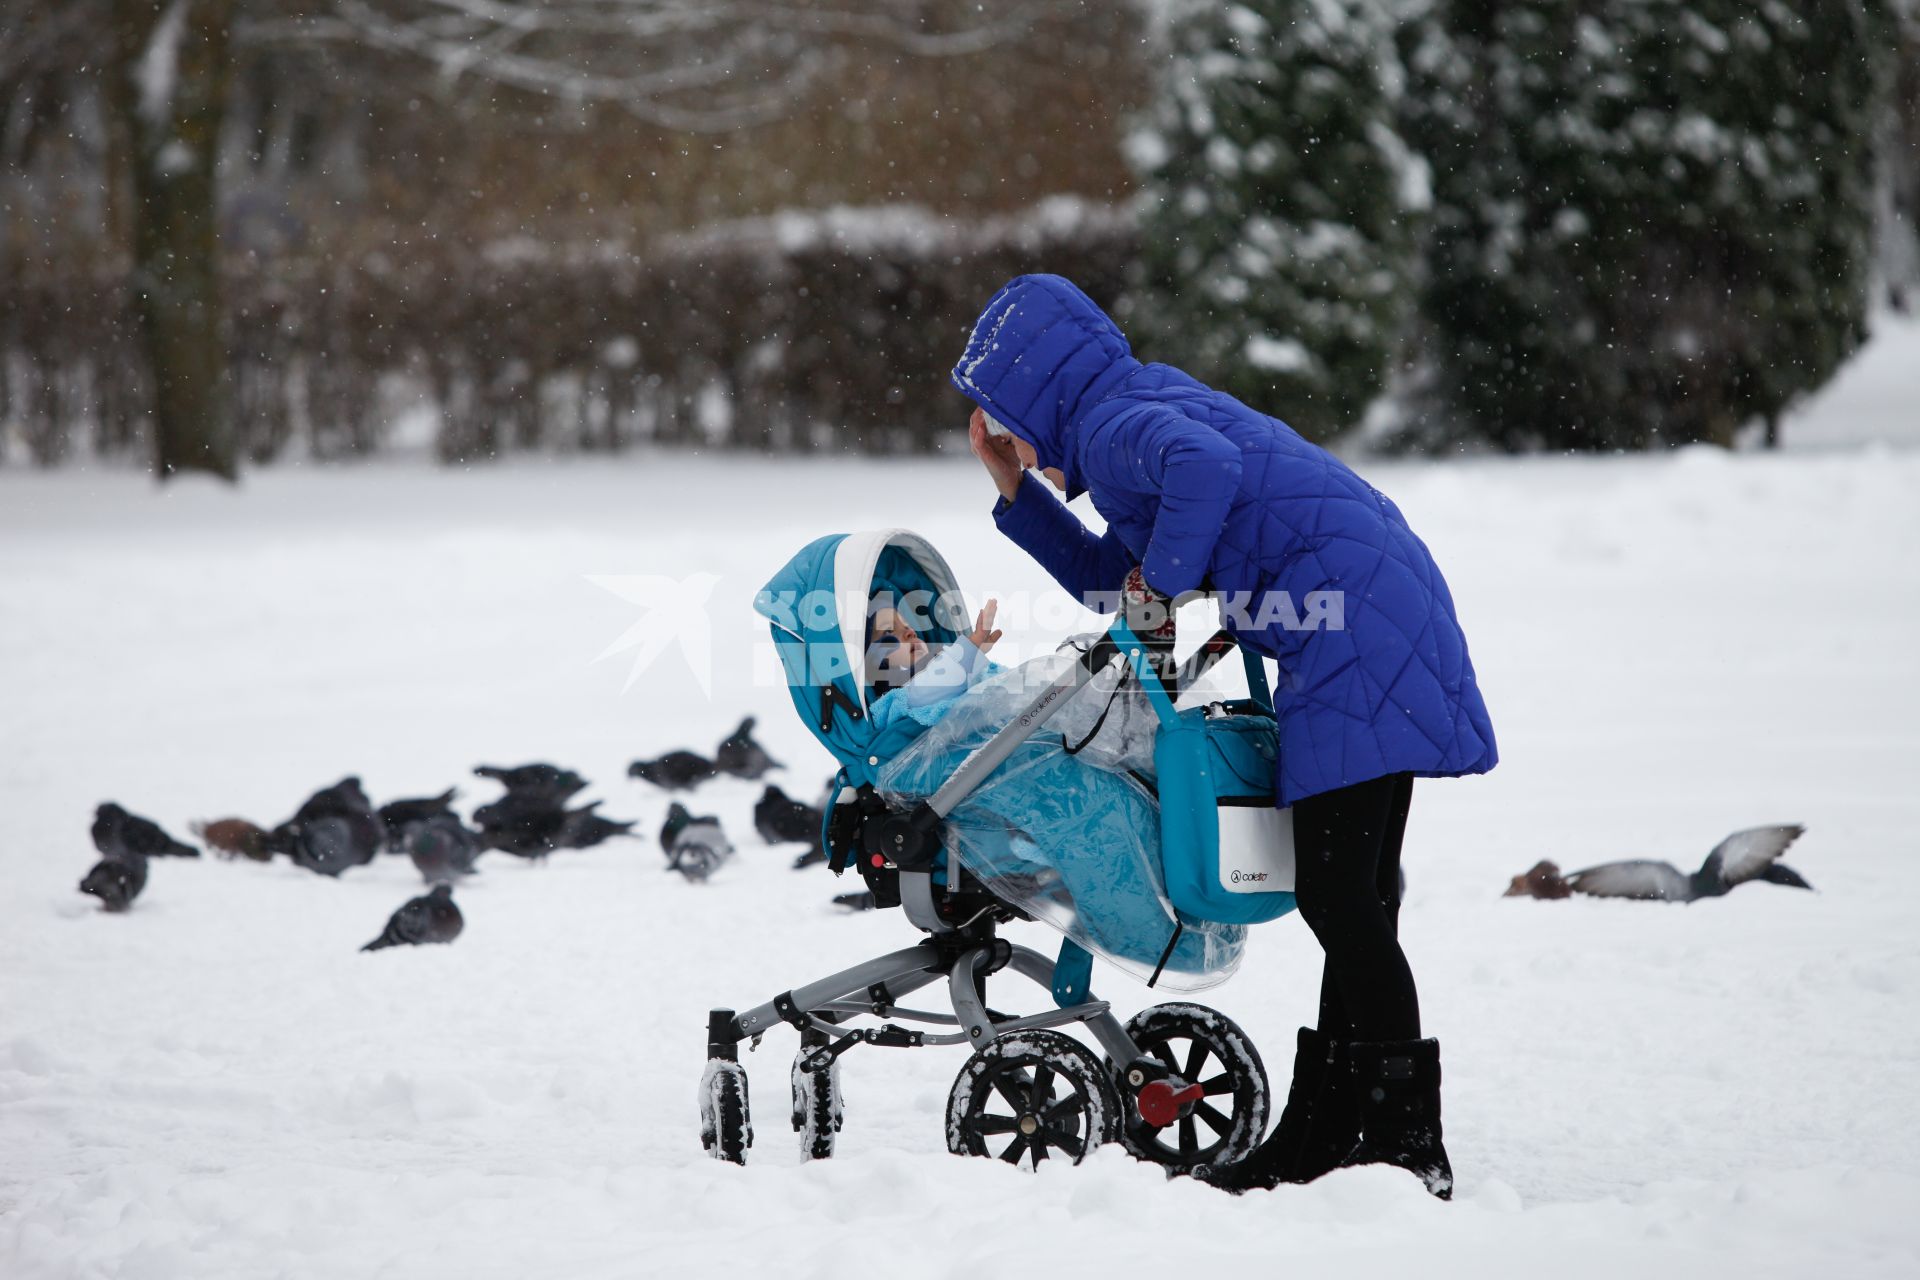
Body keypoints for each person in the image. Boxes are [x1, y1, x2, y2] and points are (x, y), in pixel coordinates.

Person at [953, 273, 1497, 1199]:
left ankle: (1403, 1137)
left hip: (1349, 628)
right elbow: (1109, 581)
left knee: (1342, 898)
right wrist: (1017, 492)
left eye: (1007, 419)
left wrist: (1163, 591)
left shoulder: (1120, 425)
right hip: (1369, 610)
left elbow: (1206, 470)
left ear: (1039, 392)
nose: (1013, 438)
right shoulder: (1125, 414)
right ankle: (1334, 1130)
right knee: (1355, 897)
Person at [864, 596, 1001, 731]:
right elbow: (929, 689)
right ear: (874, 660)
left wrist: (975, 654)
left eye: (907, 625)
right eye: (889, 631)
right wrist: (972, 645)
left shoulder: (942, 660)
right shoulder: (897, 700)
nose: (910, 632)